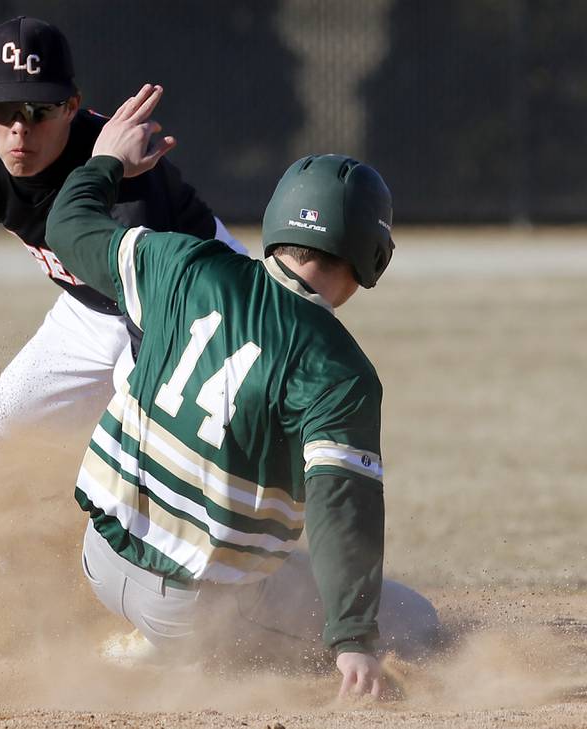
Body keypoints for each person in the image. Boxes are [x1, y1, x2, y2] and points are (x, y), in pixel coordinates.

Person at [46, 84, 439, 698]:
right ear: (371, 253)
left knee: (288, 571)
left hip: (99, 553)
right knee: (416, 621)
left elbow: (68, 227)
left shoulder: (181, 263)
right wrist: (355, 638)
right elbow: (343, 510)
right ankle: (180, 653)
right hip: (195, 611)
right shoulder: (338, 370)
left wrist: (107, 163)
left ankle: (154, 639)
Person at [0, 17, 244, 496]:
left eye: (39, 109)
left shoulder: (131, 186)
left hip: (196, 303)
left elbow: (156, 320)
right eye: (2, 109)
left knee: (148, 481)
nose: (19, 129)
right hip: (90, 309)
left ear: (72, 106)